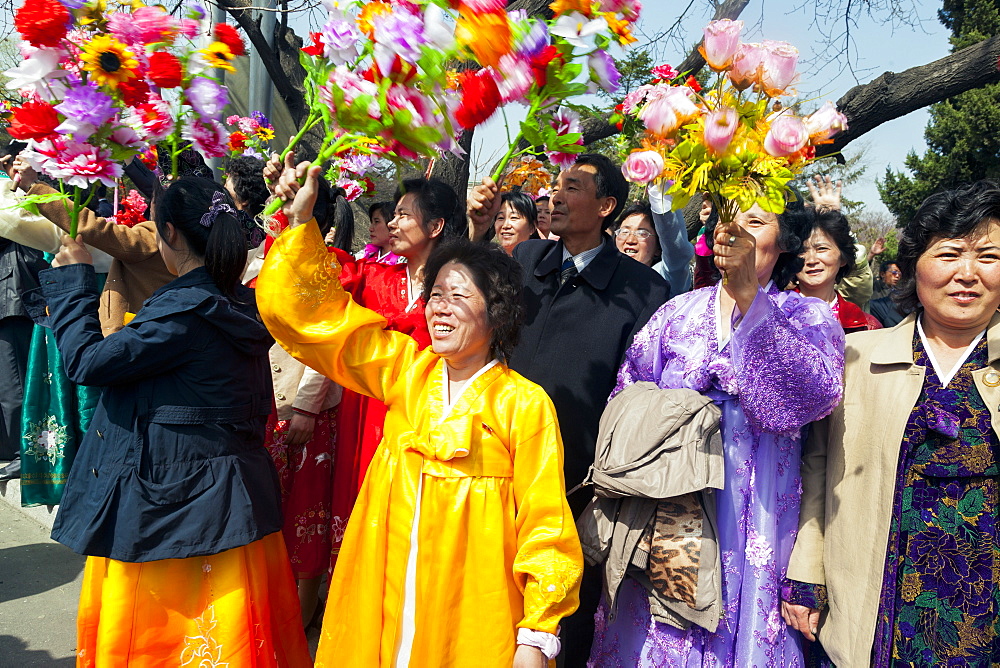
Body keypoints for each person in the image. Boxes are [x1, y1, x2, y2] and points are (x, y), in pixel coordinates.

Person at [257, 160, 584, 667]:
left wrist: (535, 634)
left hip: (472, 608)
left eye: (459, 296)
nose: (440, 308)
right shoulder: (404, 372)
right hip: (382, 593)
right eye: (435, 295)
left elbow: (546, 525)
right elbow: (316, 321)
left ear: (496, 312)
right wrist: (300, 223)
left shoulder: (523, 404)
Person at [39, 177, 309, 665]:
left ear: (172, 234)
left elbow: (86, 363)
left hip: (168, 509)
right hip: (232, 503)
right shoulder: (239, 304)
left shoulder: (184, 314)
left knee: (160, 643)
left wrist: (75, 283)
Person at [587, 196, 845, 666]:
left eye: (756, 221)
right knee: (663, 627)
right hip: (672, 505)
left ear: (785, 241)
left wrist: (751, 298)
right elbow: (627, 395)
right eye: (729, 218)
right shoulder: (676, 313)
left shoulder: (808, 316)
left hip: (758, 510)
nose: (738, 232)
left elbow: (805, 401)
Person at [783, 180, 1000, 667]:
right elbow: (819, 469)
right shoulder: (855, 357)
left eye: (988, 256)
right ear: (915, 265)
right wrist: (806, 572)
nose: (967, 274)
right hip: (878, 601)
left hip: (986, 610)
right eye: (948, 255)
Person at [468, 153, 671, 666]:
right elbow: (461, 308)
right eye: (556, 185)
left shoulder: (644, 290)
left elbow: (638, 395)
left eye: (573, 188)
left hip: (575, 482)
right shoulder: (524, 261)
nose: (555, 196)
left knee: (557, 619)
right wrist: (475, 229)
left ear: (606, 206)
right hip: (490, 463)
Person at [264, 152, 459, 569]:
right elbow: (314, 283)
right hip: (364, 418)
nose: (392, 223)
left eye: (404, 215)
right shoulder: (372, 275)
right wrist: (297, 218)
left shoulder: (459, 288)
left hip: (427, 422)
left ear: (435, 226)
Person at [796, 210, 882, 332]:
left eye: (821, 249)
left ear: (843, 258)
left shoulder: (867, 325)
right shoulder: (773, 311)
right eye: (801, 251)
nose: (811, 260)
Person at [494, 190, 539, 255]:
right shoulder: (488, 260)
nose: (505, 225)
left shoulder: (542, 261)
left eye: (514, 218)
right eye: (500, 218)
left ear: (532, 227)